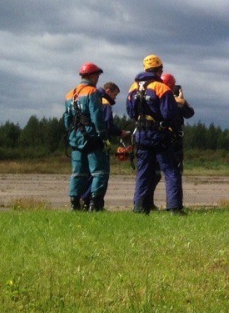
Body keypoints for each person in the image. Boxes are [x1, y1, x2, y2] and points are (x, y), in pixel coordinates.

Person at [126, 54, 185, 215]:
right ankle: (174, 208)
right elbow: (169, 114)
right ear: (160, 70)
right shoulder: (162, 88)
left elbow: (130, 112)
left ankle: (139, 208)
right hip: (158, 135)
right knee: (171, 170)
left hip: (140, 135)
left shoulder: (133, 88)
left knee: (143, 172)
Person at [144, 72, 195, 210]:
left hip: (154, 139)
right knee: (174, 173)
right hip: (171, 141)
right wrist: (182, 101)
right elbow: (190, 113)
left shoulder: (153, 99)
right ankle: (174, 205)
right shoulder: (174, 102)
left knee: (153, 173)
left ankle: (146, 202)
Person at [78, 82, 131, 211]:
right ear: (108, 90)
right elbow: (107, 125)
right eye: (114, 94)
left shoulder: (90, 98)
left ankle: (84, 201)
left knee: (89, 173)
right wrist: (121, 133)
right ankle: (95, 204)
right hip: (99, 142)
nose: (115, 98)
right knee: (101, 173)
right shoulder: (105, 102)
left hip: (85, 140)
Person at [64, 62, 109, 211]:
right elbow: (96, 115)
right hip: (91, 137)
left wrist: (71, 135)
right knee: (100, 172)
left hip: (75, 138)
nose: (98, 78)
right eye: (96, 75)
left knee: (78, 173)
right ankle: (94, 205)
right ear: (90, 76)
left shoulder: (70, 94)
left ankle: (74, 204)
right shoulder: (92, 92)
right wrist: (102, 135)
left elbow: (67, 119)